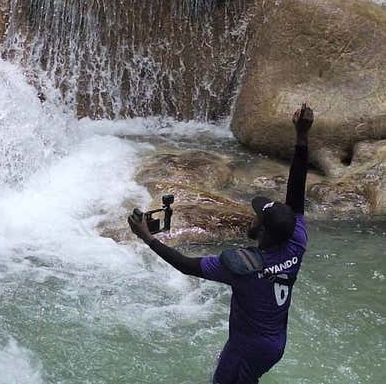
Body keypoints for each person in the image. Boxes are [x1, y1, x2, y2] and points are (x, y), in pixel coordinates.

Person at [129, 103, 314, 384]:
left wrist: (148, 238)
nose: (252, 215)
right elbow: (297, 192)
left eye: (257, 216)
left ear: (262, 230)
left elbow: (186, 265)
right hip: (274, 343)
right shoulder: (295, 241)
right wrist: (301, 136)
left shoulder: (244, 267)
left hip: (248, 347)